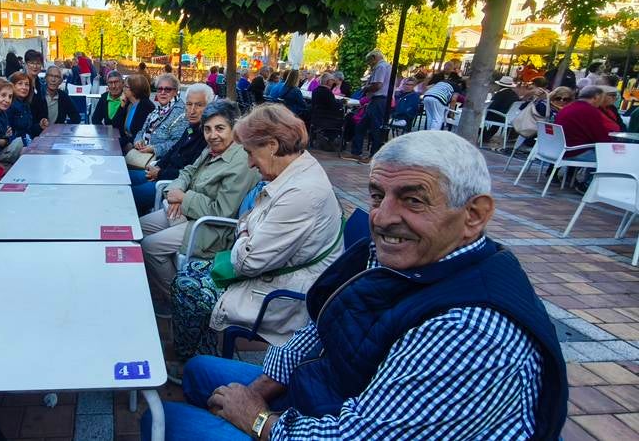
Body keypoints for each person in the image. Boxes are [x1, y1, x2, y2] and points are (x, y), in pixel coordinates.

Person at [145, 130, 568, 441]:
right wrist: (259, 390)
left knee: (163, 421)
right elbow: (320, 327)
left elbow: (358, 436)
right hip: (337, 393)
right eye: (378, 195)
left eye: (413, 199)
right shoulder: (403, 255)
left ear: (474, 215)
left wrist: (257, 420)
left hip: (348, 420)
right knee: (199, 372)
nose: (383, 217)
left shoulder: (469, 331)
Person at [170, 105, 343, 370]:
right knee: (189, 274)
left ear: (272, 146)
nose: (250, 163)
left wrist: (244, 232)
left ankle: (193, 364)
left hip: (284, 295)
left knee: (187, 287)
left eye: (250, 152)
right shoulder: (295, 171)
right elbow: (247, 221)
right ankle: (203, 356)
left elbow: (247, 261)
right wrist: (247, 231)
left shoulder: (300, 193)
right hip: (274, 273)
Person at [139, 100, 261, 304]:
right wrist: (176, 190)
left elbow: (222, 211)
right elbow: (188, 171)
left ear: (234, 128)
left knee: (150, 247)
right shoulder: (213, 149)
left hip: (210, 230)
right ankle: (156, 283)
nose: (212, 135)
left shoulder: (240, 162)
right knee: (138, 228)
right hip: (188, 214)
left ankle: (176, 302)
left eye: (220, 128)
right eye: (207, 129)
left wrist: (184, 198)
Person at [130, 84, 213, 213]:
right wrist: (158, 166)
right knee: (125, 178)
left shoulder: (208, 135)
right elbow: (174, 149)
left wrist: (159, 173)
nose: (192, 110)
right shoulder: (192, 127)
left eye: (199, 105)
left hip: (170, 185)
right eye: (189, 104)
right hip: (161, 173)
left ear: (209, 107)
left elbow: (190, 172)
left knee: (127, 194)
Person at [344, 50, 390, 163]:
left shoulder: (380, 67)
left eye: (369, 61)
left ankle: (373, 156)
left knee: (375, 128)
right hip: (378, 100)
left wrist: (366, 88)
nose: (369, 64)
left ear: (374, 58)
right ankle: (356, 152)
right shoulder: (387, 66)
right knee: (361, 126)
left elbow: (377, 85)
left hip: (379, 100)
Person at [555, 85, 620, 162]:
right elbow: (601, 138)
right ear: (596, 97)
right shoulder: (590, 111)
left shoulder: (567, 108)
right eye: (602, 98)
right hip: (576, 151)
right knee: (615, 159)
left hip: (559, 149)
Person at [134, 74, 188, 158]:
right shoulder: (157, 110)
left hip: (161, 161)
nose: (163, 92)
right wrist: (138, 141)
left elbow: (178, 142)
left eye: (167, 89)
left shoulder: (180, 112)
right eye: (160, 89)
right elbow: (141, 131)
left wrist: (154, 148)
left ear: (176, 91)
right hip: (143, 156)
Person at [31, 65, 81, 136]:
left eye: (57, 77)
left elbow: (76, 118)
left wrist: (64, 128)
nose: (53, 80)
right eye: (50, 76)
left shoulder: (63, 96)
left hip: (58, 137)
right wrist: (39, 126)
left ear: (61, 81)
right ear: (45, 78)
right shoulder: (37, 96)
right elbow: (30, 125)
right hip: (39, 137)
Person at [0, 77, 22, 164]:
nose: (7, 100)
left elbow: (10, 135)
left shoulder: (3, 113)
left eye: (10, 97)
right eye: (3, 95)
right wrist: (5, 140)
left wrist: (5, 139)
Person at [481, 75, 521, 143]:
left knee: (480, 115)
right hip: (508, 118)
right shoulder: (515, 95)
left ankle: (484, 136)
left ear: (500, 85)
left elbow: (492, 105)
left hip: (498, 116)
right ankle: (487, 135)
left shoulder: (500, 94)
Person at [122, 73, 156, 152]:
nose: (123, 89)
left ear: (135, 89)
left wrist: (120, 142)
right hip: (127, 142)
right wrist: (122, 105)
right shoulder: (129, 103)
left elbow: (139, 133)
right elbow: (117, 124)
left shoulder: (146, 106)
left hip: (137, 146)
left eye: (126, 86)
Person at [8, 71, 37, 144]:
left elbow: (28, 129)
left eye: (27, 84)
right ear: (12, 86)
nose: (24, 87)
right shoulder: (9, 105)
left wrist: (40, 126)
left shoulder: (26, 105)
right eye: (20, 83)